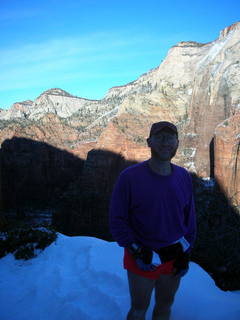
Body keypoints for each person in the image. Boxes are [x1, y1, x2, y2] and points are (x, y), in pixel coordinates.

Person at [109, 121, 196, 320]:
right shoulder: (129, 177)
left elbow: (189, 219)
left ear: (177, 143)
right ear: (149, 141)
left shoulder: (183, 176)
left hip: (174, 255)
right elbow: (117, 219)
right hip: (142, 255)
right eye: (160, 137)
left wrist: (186, 252)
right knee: (139, 309)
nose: (166, 142)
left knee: (165, 306)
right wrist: (136, 250)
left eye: (170, 138)